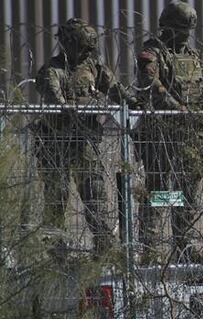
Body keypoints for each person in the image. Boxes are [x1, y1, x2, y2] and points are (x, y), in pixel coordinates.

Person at [134, 0, 203, 263]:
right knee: (159, 190)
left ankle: (183, 246)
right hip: (162, 135)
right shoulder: (153, 53)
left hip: (191, 136)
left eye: (187, 31)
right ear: (167, 27)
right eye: (180, 30)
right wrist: (181, 110)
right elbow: (152, 87)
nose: (184, 36)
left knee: (188, 192)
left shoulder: (195, 57)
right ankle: (151, 247)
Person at [34, 18, 135, 259]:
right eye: (83, 46)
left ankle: (104, 246)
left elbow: (117, 91)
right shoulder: (53, 70)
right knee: (56, 198)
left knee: (95, 194)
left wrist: (134, 103)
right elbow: (54, 99)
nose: (88, 52)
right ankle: (56, 250)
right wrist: (81, 105)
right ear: (69, 44)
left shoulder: (93, 68)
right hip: (55, 144)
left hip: (84, 144)